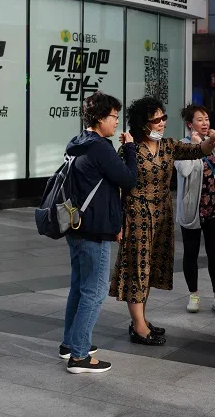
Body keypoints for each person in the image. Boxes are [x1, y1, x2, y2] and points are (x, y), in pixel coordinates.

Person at [110, 97, 215, 346]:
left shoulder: (169, 146)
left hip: (161, 214)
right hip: (136, 214)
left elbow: (198, 151)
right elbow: (117, 187)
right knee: (137, 269)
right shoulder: (130, 150)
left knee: (149, 269)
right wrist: (117, 223)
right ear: (143, 124)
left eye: (163, 118)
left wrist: (211, 142)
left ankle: (140, 320)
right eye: (156, 119)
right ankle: (139, 327)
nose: (162, 123)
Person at [62, 92, 138, 374]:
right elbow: (129, 179)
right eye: (114, 117)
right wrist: (130, 148)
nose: (117, 122)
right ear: (100, 118)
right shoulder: (100, 147)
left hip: (76, 223)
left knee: (79, 287)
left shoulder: (76, 142)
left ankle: (70, 344)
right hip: (94, 229)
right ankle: (79, 356)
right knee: (94, 291)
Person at [175, 104, 215, 316]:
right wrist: (196, 145)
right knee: (190, 253)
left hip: (213, 207)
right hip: (191, 209)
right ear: (190, 124)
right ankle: (194, 295)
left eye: (207, 119)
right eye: (200, 120)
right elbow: (185, 170)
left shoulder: (213, 145)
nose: (205, 123)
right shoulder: (181, 145)